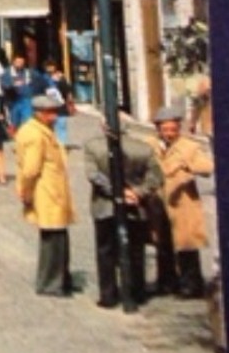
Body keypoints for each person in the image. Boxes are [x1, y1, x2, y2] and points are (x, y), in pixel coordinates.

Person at [83, 120, 161, 308]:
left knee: (106, 252)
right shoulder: (143, 148)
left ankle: (108, 295)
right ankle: (137, 291)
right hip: (136, 206)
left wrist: (117, 192)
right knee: (136, 250)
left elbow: (93, 175)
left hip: (104, 207)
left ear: (103, 128)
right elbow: (156, 177)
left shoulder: (93, 146)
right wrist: (137, 192)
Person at [151, 104, 214, 299]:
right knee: (163, 243)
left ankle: (191, 285)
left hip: (183, 203)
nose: (169, 133)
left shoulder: (189, 146)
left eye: (173, 129)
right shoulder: (150, 144)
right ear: (158, 129)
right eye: (165, 129)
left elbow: (208, 167)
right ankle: (167, 282)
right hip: (159, 201)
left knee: (186, 244)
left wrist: (187, 164)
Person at [15, 89, 74, 297]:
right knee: (52, 239)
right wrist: (26, 191)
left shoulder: (43, 130)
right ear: (39, 113)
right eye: (50, 112)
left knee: (59, 238)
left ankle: (62, 279)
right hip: (46, 192)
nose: (55, 116)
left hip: (54, 191)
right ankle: (50, 282)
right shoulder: (34, 134)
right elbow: (31, 169)